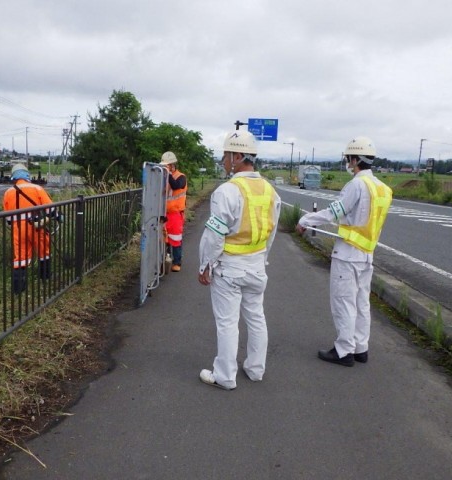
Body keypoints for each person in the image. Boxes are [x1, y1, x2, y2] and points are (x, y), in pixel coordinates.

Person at [296, 136, 392, 367]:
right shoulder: (383, 188)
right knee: (361, 303)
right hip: (367, 254)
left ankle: (343, 351)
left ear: (355, 159)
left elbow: (334, 212)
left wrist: (306, 220)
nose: (348, 162)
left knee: (344, 302)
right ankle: (361, 348)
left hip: (348, 254)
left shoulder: (357, 185)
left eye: (349, 158)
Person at [198, 130, 281, 390]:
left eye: (225, 156)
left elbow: (214, 235)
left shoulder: (227, 191)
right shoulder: (270, 190)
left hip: (230, 269)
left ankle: (225, 376)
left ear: (236, 156)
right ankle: (256, 370)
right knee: (256, 317)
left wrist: (205, 265)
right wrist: (262, 259)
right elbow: (272, 232)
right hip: (256, 266)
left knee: (227, 323)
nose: (223, 161)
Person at [2, 163, 54, 293]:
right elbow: (51, 209)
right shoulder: (37, 188)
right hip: (37, 225)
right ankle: (45, 279)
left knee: (20, 256)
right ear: (27, 175)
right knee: (44, 251)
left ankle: (19, 290)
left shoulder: (8, 192)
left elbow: (7, 217)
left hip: (19, 227)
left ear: (13, 176)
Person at [160, 151, 187, 272]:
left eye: (167, 166)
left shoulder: (181, 177)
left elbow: (176, 186)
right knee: (164, 238)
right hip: (164, 213)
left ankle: (177, 262)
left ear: (172, 165)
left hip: (176, 213)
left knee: (175, 239)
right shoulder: (163, 177)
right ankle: (165, 260)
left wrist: (169, 174)